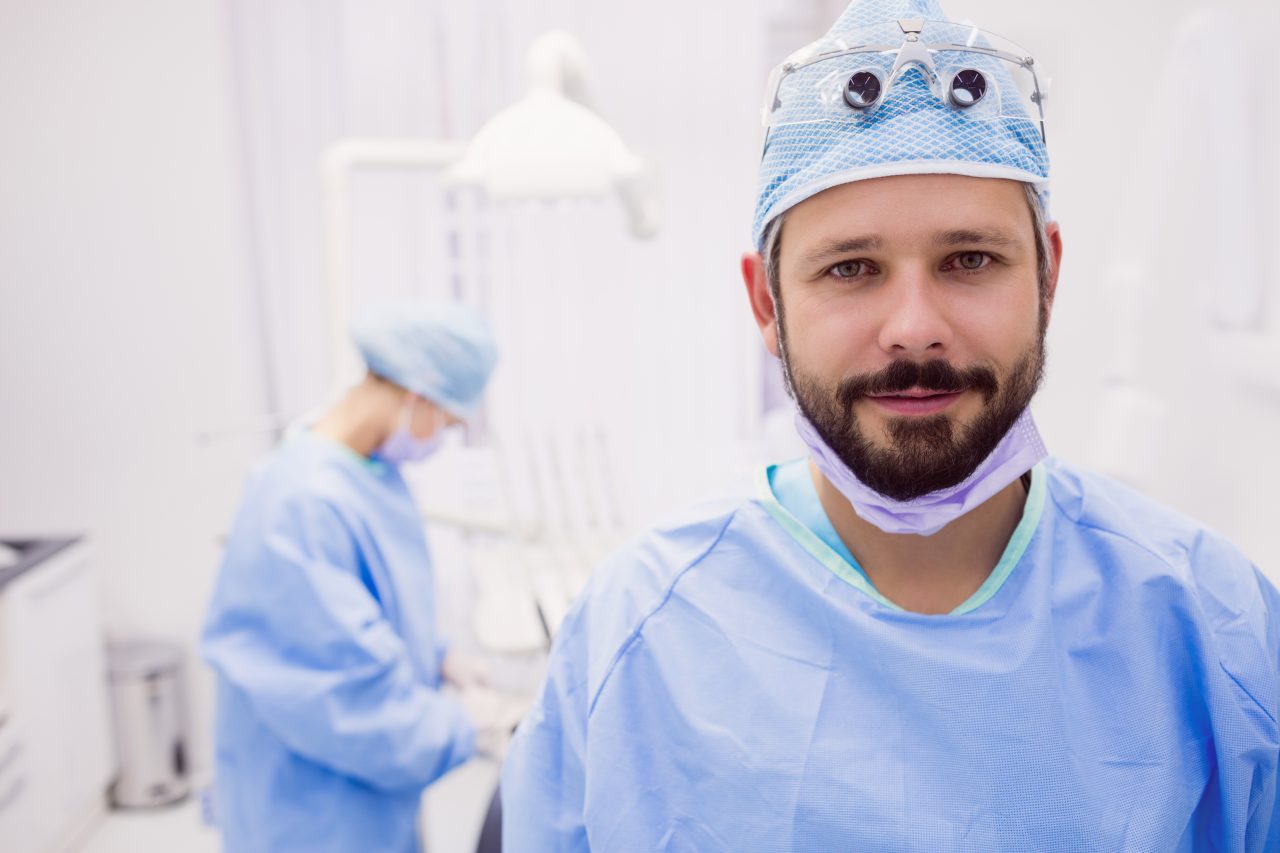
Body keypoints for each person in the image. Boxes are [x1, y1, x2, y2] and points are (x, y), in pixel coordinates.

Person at [500, 1, 1280, 849]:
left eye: (969, 260)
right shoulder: (638, 632)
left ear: (1049, 273)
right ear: (767, 301)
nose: (914, 325)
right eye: (851, 268)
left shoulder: (1212, 626)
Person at [202, 300, 508, 853]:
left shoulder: (370, 473)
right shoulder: (299, 503)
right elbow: (347, 700)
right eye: (448, 421)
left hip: (358, 806)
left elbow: (364, 607)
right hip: (309, 812)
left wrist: (437, 657)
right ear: (418, 395)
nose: (441, 437)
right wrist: (470, 727)